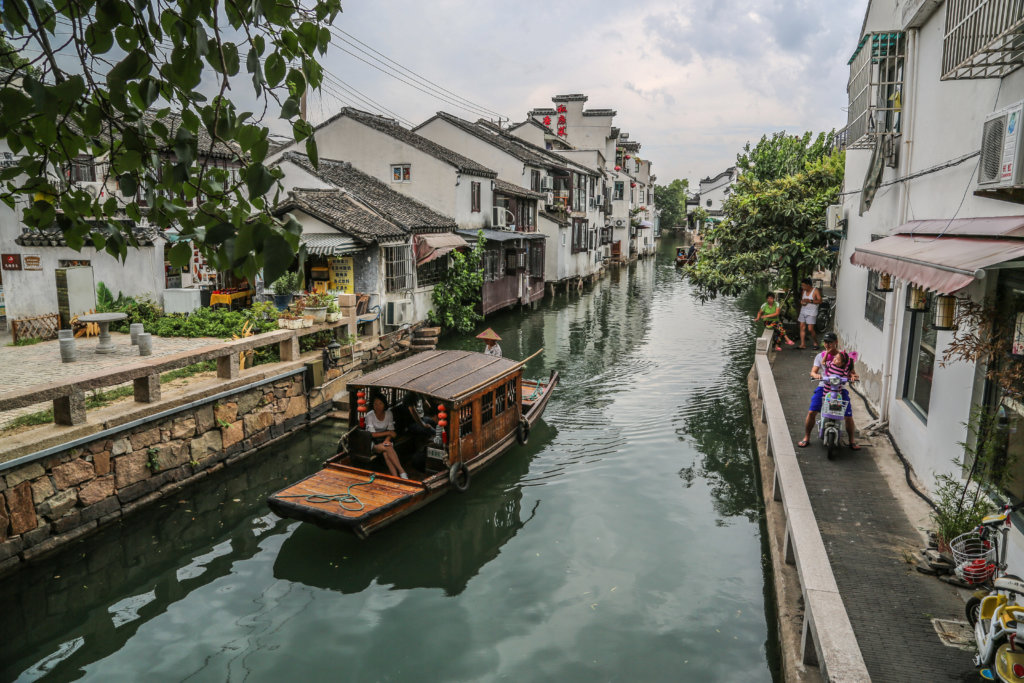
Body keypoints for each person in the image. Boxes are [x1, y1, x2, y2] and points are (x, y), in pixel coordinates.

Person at [798, 332, 860, 450]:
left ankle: (852, 440)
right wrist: (816, 376)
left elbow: (852, 373)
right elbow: (813, 371)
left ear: (836, 342)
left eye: (830, 342)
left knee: (848, 415)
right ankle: (807, 437)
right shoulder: (820, 356)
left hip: (839, 388)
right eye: (825, 342)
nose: (827, 344)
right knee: (812, 411)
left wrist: (853, 377)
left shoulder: (844, 357)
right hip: (824, 386)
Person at [363, 394, 409, 479]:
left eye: (380, 403)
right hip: (371, 442)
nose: (377, 406)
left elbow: (391, 430)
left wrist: (386, 440)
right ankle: (402, 472)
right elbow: (372, 434)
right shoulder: (370, 415)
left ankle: (395, 477)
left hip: (383, 440)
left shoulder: (388, 414)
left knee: (386, 451)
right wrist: (388, 433)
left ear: (384, 404)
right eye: (375, 404)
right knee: (388, 448)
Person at [797, 278, 822, 349]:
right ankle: (802, 344)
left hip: (812, 312)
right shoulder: (803, 291)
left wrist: (810, 301)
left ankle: (816, 342)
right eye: (802, 286)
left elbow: (820, 301)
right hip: (803, 310)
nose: (802, 287)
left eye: (804, 286)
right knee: (802, 327)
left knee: (810, 329)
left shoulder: (815, 291)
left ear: (808, 285)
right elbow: (802, 300)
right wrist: (802, 302)